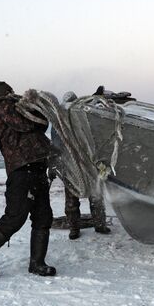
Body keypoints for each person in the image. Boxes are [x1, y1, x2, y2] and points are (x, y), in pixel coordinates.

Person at [0, 81, 56, 279]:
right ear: (5, 93)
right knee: (15, 217)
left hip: (35, 166)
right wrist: (41, 111)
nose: (13, 93)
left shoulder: (11, 106)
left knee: (43, 216)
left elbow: (35, 127)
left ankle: (37, 263)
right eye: (10, 91)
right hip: (22, 170)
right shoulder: (4, 107)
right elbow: (27, 124)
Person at [49, 91, 111, 240]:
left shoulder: (58, 120)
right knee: (95, 195)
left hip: (72, 165)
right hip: (84, 163)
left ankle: (74, 228)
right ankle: (98, 224)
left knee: (73, 198)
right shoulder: (81, 117)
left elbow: (55, 143)